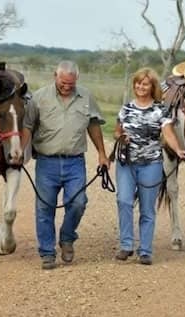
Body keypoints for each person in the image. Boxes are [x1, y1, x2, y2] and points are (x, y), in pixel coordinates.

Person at [22, 60, 110, 270]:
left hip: (74, 162)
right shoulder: (39, 98)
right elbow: (27, 126)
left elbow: (94, 125)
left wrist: (102, 154)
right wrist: (20, 152)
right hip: (46, 162)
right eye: (63, 83)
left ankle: (67, 237)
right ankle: (47, 253)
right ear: (55, 76)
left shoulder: (86, 97)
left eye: (71, 83)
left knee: (78, 202)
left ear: (76, 79)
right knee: (45, 207)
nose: (67, 87)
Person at [113, 67, 185, 265]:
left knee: (147, 208)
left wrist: (178, 150)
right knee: (124, 201)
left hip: (151, 164)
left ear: (152, 86)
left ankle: (145, 250)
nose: (140, 87)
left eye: (145, 84)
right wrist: (121, 137)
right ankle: (126, 245)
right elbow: (116, 131)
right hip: (126, 163)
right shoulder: (126, 108)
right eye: (138, 83)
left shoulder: (160, 111)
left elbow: (168, 133)